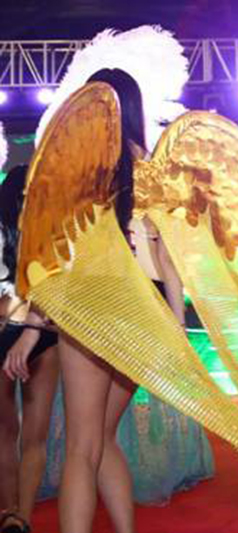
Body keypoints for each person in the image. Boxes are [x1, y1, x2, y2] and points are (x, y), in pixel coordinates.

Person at [55, 68, 193, 533]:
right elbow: (169, 258)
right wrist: (177, 327)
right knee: (104, 435)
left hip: (93, 297)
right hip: (145, 308)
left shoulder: (75, 167)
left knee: (81, 446)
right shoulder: (155, 169)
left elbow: (57, 249)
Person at [0, 165, 61, 533]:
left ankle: (13, 514)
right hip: (37, 333)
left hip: (18, 332)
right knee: (27, 436)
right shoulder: (50, 232)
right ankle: (18, 515)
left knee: (11, 433)